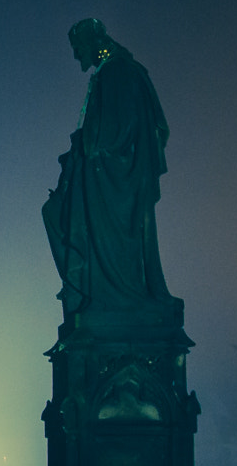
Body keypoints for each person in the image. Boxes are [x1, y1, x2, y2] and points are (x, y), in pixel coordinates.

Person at [42, 18, 179, 319]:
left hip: (115, 180)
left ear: (92, 42)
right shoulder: (110, 72)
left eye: (78, 48)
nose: (77, 56)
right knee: (54, 213)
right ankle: (89, 290)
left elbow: (114, 133)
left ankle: (103, 293)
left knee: (59, 214)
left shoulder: (119, 71)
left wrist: (83, 151)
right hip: (105, 175)